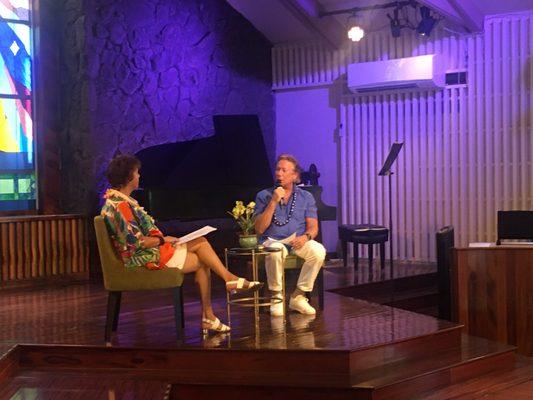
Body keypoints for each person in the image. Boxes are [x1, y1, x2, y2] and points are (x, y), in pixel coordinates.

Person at [101, 154, 262, 335]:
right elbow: (137, 242)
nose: (139, 176)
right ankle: (223, 290)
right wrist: (164, 240)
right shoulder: (120, 206)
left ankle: (214, 307)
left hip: (147, 251)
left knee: (202, 250)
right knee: (202, 250)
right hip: (140, 257)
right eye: (137, 173)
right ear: (129, 177)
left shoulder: (121, 202)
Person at [254, 154, 326, 316]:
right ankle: (276, 296)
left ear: (294, 176)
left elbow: (313, 227)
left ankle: (298, 296)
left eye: (284, 170)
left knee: (318, 251)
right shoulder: (263, 196)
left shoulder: (305, 197)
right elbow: (259, 229)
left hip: (297, 241)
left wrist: (305, 237)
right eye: (277, 169)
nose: (279, 173)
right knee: (276, 250)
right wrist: (273, 202)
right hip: (271, 241)